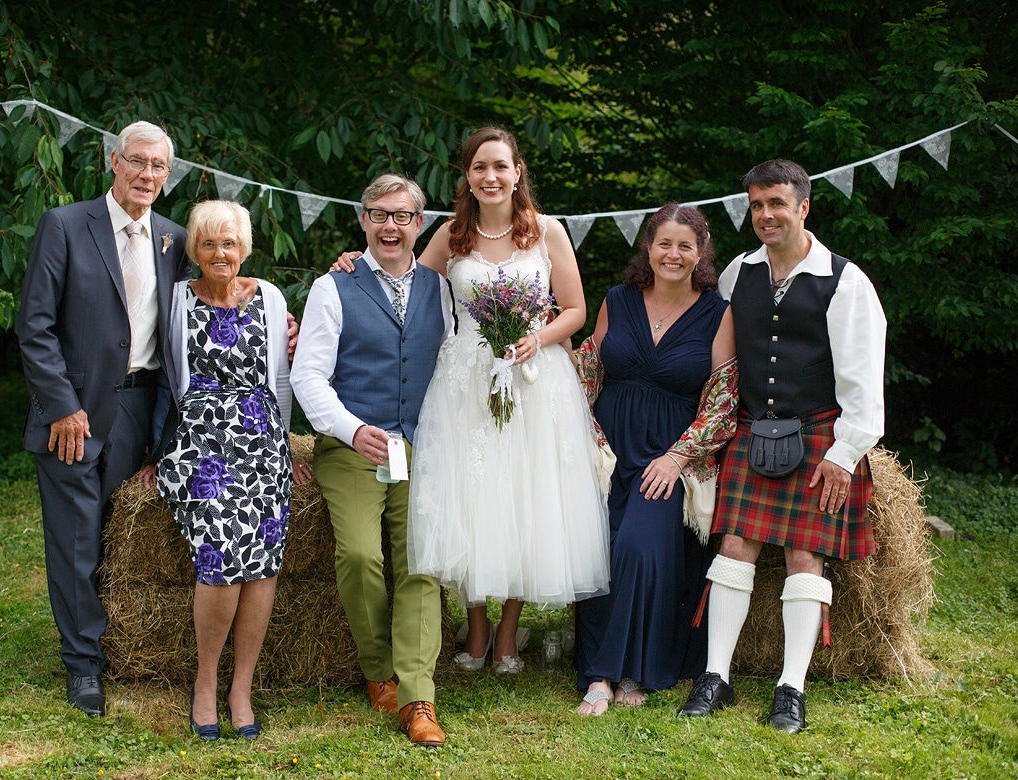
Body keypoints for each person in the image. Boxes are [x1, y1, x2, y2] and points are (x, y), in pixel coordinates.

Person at [336, 127, 609, 674]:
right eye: (480, 167)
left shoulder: (547, 233)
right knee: (473, 497)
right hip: (464, 379)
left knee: (525, 498)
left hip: (532, 377)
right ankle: (476, 626)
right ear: (468, 176)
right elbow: (401, 277)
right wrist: (352, 262)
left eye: (500, 167)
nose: (491, 177)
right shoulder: (449, 235)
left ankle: (509, 629)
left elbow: (576, 310)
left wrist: (538, 337)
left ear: (517, 172)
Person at [679, 159, 886, 733]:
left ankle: (790, 688)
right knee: (733, 546)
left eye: (777, 203)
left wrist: (844, 454)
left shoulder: (845, 280)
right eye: (756, 205)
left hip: (817, 434)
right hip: (750, 431)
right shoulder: (738, 273)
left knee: (804, 555)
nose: (766, 215)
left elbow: (864, 381)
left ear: (803, 207)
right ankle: (714, 678)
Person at [19, 120, 188, 717]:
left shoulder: (175, 238)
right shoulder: (65, 226)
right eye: (136, 161)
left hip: (142, 408)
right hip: (77, 410)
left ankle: (112, 640)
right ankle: (83, 666)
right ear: (113, 161)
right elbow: (34, 326)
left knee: (121, 534)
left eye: (158, 166)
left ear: (168, 176)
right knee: (76, 539)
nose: (147, 174)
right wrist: (62, 407)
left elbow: (198, 313)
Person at [291, 174, 454, 747]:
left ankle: (417, 697)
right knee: (361, 554)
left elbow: (454, 368)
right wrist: (351, 428)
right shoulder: (331, 287)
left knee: (420, 563)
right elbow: (306, 375)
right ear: (362, 220)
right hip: (352, 443)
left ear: (419, 224)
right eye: (379, 215)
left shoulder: (441, 288)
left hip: (419, 445)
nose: (390, 225)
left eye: (402, 216)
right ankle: (377, 668)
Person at [138, 200, 310, 740]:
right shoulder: (177, 303)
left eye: (229, 243)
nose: (220, 253)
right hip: (199, 443)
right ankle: (206, 682)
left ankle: (242, 686)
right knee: (219, 549)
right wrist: (155, 453)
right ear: (195, 249)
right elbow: (163, 380)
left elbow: (278, 380)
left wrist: (285, 443)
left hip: (261, 441)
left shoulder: (271, 297)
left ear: (245, 248)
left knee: (262, 562)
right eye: (209, 243)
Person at [572, 203, 738, 715]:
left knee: (639, 548)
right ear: (648, 247)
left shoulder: (717, 312)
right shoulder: (617, 301)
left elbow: (723, 397)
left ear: (700, 253)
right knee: (600, 546)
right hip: (607, 450)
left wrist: (678, 457)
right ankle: (599, 675)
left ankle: (635, 670)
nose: (673, 253)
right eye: (664, 243)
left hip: (669, 458)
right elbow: (588, 371)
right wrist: (583, 434)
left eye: (685, 245)